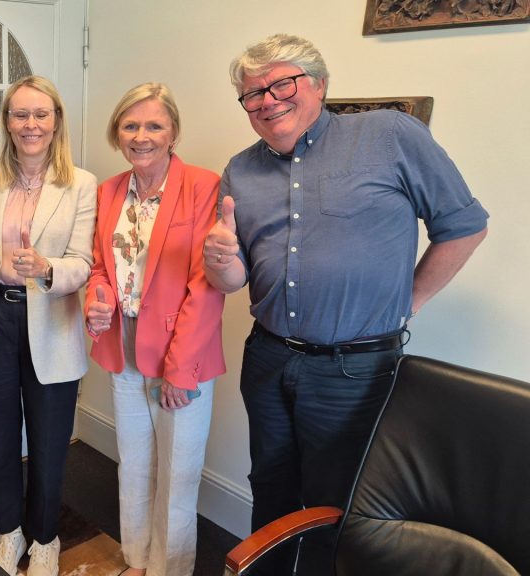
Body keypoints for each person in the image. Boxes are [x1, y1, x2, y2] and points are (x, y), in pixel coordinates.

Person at [204, 34, 489, 575]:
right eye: (252, 94)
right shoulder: (240, 170)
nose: (267, 101)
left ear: (318, 84)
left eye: (281, 84)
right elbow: (233, 280)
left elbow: (465, 226)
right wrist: (218, 261)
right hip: (268, 358)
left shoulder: (389, 135)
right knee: (270, 484)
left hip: (355, 370)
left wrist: (408, 303)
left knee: (337, 504)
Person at [0, 76, 96, 576]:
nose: (31, 125)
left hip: (51, 319)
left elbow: (83, 262)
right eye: (20, 114)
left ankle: (45, 537)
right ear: (7, 122)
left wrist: (48, 268)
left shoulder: (81, 183)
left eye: (41, 114)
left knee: (50, 441)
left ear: (56, 121)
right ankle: (8, 530)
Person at [83, 83, 226, 576]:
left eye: (153, 125)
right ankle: (138, 561)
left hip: (182, 354)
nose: (141, 136)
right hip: (122, 348)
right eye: (130, 125)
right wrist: (98, 300)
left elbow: (206, 286)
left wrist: (181, 370)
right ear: (117, 133)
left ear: (173, 133)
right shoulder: (109, 191)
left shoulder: (203, 186)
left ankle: (171, 569)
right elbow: (100, 268)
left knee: (177, 476)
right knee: (135, 465)